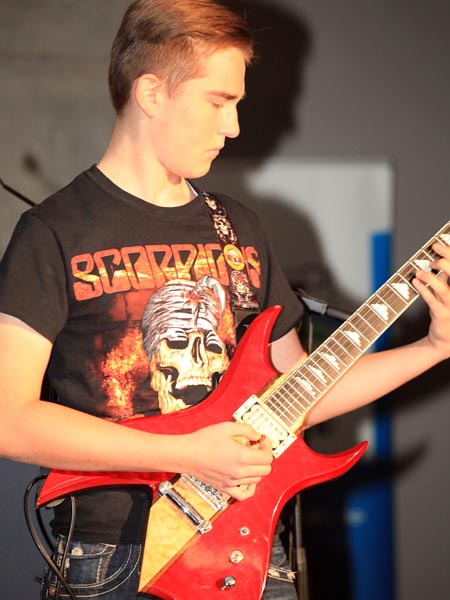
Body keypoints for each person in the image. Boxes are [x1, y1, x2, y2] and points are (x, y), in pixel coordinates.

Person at [0, 1, 449, 599]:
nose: (234, 126)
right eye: (218, 101)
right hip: (118, 556)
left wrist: (432, 348)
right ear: (152, 93)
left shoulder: (238, 228)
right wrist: (188, 451)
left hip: (249, 547)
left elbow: (298, 394)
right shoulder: (54, 231)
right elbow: (10, 420)